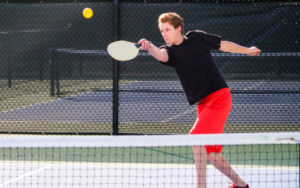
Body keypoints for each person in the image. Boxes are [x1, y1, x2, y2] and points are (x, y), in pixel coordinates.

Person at [138, 12, 261, 188]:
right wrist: (149, 46)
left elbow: (224, 45)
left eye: (167, 29)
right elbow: (162, 56)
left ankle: (200, 186)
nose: (164, 33)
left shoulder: (197, 37)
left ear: (178, 28)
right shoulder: (170, 51)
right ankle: (241, 185)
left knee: (196, 138)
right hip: (204, 104)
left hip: (219, 97)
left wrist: (247, 50)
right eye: (161, 31)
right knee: (210, 155)